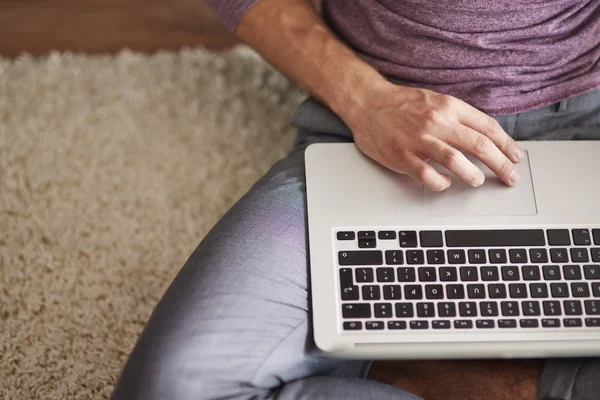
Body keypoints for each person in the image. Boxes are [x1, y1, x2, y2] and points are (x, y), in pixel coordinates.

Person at [110, 1, 600, 399]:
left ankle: (452, 381)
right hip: (375, 120)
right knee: (170, 388)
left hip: (588, 125)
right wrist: (368, 101)